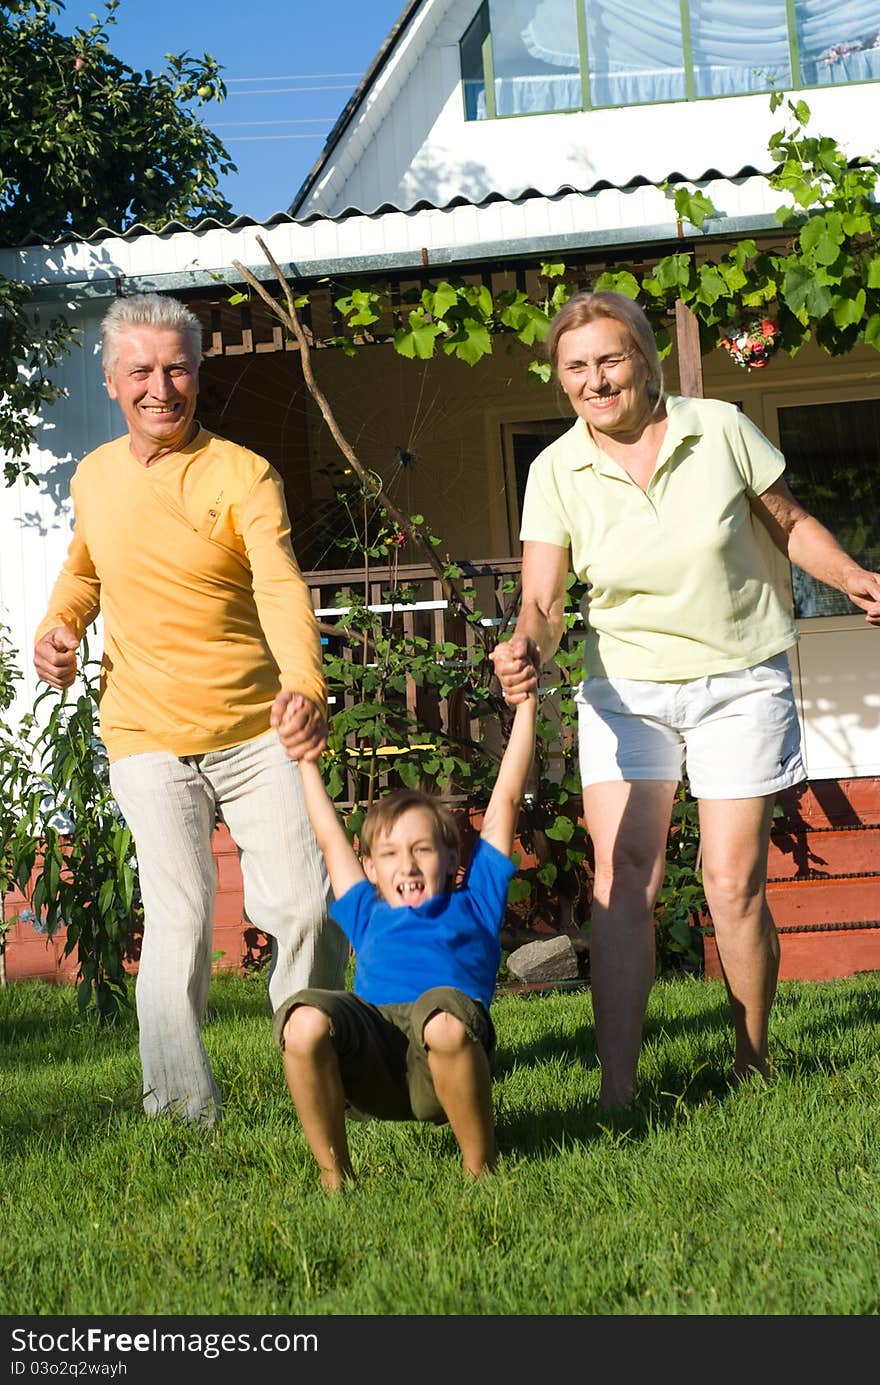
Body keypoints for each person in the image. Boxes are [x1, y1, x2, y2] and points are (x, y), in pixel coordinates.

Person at [490, 290, 880, 1110]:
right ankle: (618, 1091)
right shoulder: (555, 469)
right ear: (560, 380)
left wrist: (850, 577)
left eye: (610, 359)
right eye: (577, 367)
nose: (597, 380)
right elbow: (544, 600)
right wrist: (525, 642)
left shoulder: (719, 427)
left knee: (732, 880)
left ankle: (752, 1061)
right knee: (624, 875)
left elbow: (788, 521)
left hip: (741, 677)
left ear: (642, 358)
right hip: (625, 692)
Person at [33, 292, 349, 1125]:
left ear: (198, 374)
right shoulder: (95, 477)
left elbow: (280, 588)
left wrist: (304, 688)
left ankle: (322, 1070)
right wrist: (59, 626)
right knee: (177, 915)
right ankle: (179, 1113)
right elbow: (84, 572)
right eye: (141, 370)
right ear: (111, 379)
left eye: (177, 368)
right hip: (143, 731)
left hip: (255, 729)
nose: (160, 387)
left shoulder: (244, 473)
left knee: (305, 905)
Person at [272, 690, 537, 1190]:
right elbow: (331, 838)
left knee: (441, 1018)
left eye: (422, 849)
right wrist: (306, 761)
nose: (408, 865)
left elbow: (503, 801)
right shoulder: (367, 913)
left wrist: (525, 706)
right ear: (370, 868)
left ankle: (481, 1172)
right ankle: (335, 1176)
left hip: (444, 1051)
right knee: (302, 1019)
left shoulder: (475, 903)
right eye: (390, 854)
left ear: (453, 858)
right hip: (374, 1059)